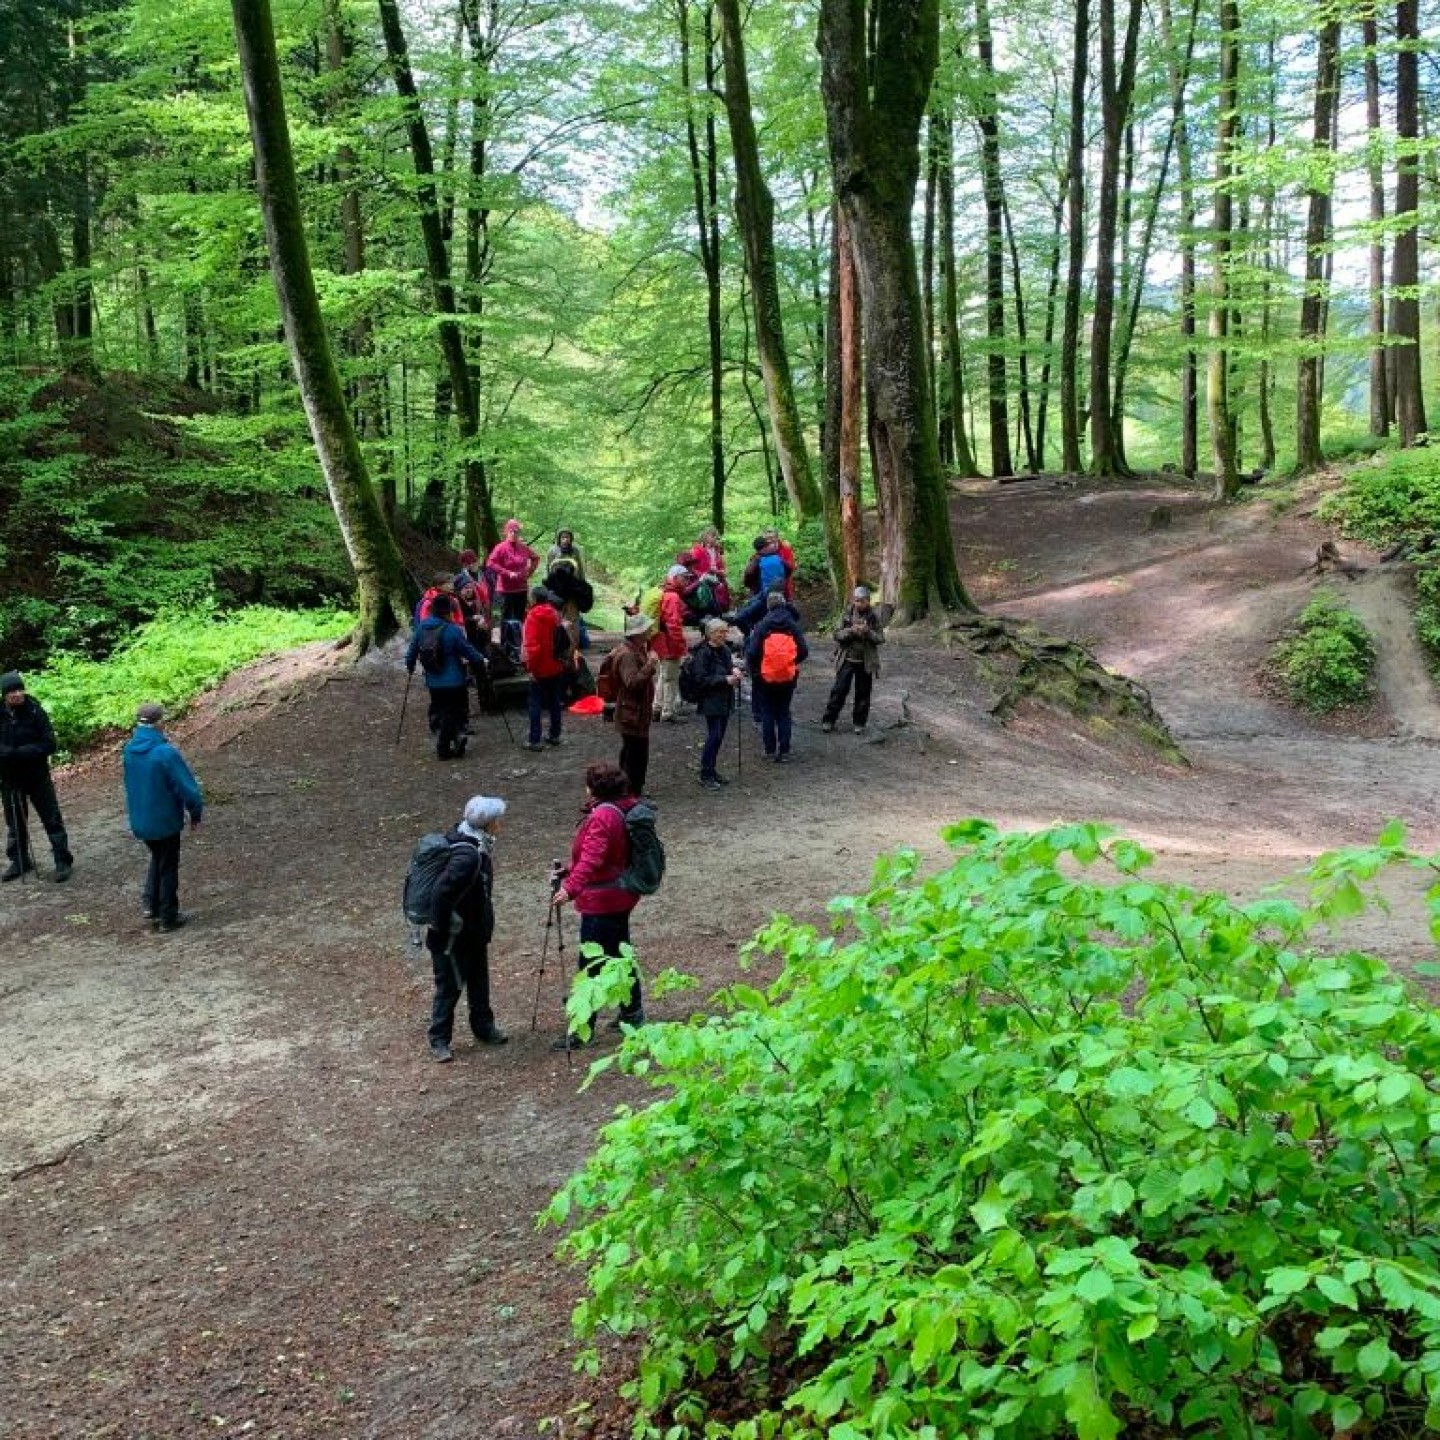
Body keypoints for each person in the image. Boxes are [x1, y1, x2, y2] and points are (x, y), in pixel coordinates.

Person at [551, 761, 646, 1048]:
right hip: (620, 894)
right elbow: (602, 859)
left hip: (602, 901)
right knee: (619, 956)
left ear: (595, 788)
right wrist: (570, 873)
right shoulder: (624, 808)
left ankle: (582, 1029)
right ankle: (632, 1013)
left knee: (590, 965)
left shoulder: (602, 817)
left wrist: (569, 887)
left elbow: (592, 858)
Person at [425, 794, 510, 1062]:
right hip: (453, 936)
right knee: (449, 986)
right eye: (497, 820)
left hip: (472, 931)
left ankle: (484, 1027)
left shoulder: (468, 840)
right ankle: (439, 1039)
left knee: (478, 981)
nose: (501, 825)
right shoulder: (468, 856)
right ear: (487, 824)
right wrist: (442, 929)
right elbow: (440, 895)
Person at [122, 702, 203, 931]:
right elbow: (187, 788)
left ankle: (150, 903)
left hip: (141, 820)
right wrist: (195, 813)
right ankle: (168, 916)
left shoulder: (129, 750)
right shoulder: (164, 753)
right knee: (168, 864)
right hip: (164, 820)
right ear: (160, 723)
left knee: (158, 856)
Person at [0, 671, 73, 883]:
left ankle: (62, 860)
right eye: (12, 690)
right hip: (10, 778)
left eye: (19, 689)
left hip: (37, 775)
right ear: (5, 694)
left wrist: (21, 753)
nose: (17, 694)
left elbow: (49, 744)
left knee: (51, 817)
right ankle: (19, 860)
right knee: (14, 822)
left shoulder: (35, 711)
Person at [405, 593, 487, 761]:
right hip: (454, 680)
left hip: (433, 680)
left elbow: (412, 651)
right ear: (448, 611)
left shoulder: (421, 628)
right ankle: (444, 748)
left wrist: (410, 666)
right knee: (452, 712)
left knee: (441, 709)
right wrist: (481, 660)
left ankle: (455, 738)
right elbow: (468, 651)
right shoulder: (452, 630)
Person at [744, 592, 809, 763]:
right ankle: (785, 751)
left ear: (768, 606)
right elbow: (804, 651)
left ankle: (770, 750)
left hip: (765, 677)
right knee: (783, 712)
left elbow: (751, 652)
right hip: (788, 677)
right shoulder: (792, 625)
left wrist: (757, 671)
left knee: (768, 712)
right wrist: (791, 663)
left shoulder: (762, 625)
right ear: (783, 604)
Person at [821, 585, 886, 736]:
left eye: (861, 601)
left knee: (863, 694)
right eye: (856, 600)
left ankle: (859, 723)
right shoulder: (847, 613)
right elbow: (836, 634)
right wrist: (851, 631)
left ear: (868, 601)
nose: (858, 603)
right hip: (847, 660)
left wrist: (867, 632)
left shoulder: (874, 617)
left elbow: (881, 638)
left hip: (865, 662)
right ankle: (828, 721)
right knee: (838, 691)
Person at [609, 613, 657, 797]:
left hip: (635, 712)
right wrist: (650, 665)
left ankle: (628, 790)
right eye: (647, 628)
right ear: (638, 633)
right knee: (636, 755)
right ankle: (632, 793)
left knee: (632, 753)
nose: (650, 631)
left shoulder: (635, 649)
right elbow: (632, 683)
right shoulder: (627, 654)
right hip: (631, 713)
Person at [692, 617, 741, 790]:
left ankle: (711, 770)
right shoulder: (703, 653)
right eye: (721, 632)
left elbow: (727, 667)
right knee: (714, 736)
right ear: (711, 634)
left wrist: (734, 670)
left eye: (725, 631)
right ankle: (705, 773)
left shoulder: (724, 649)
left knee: (718, 736)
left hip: (724, 699)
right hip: (711, 700)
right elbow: (701, 679)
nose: (724, 634)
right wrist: (725, 680)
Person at [520, 586, 567, 751]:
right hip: (555, 665)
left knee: (535, 703)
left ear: (533, 599)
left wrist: (530, 668)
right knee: (554, 700)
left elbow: (532, 646)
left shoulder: (532, 617)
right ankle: (554, 735)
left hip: (539, 666)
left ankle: (535, 740)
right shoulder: (554, 614)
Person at [650, 565, 689, 723]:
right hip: (669, 642)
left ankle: (657, 707)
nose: (687, 580)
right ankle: (668, 711)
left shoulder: (664, 593)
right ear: (674, 577)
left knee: (663, 675)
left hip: (660, 641)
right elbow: (674, 624)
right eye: (684, 577)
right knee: (671, 678)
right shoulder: (672, 597)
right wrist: (681, 645)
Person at [487, 518, 541, 626]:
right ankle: (505, 642)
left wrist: (528, 572)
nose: (513, 534)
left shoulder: (523, 547)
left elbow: (536, 558)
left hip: (521, 588)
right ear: (506, 532)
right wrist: (507, 573)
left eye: (516, 531)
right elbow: (490, 563)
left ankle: (518, 640)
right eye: (511, 531)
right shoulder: (500, 547)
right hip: (505, 590)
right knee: (505, 618)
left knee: (520, 617)